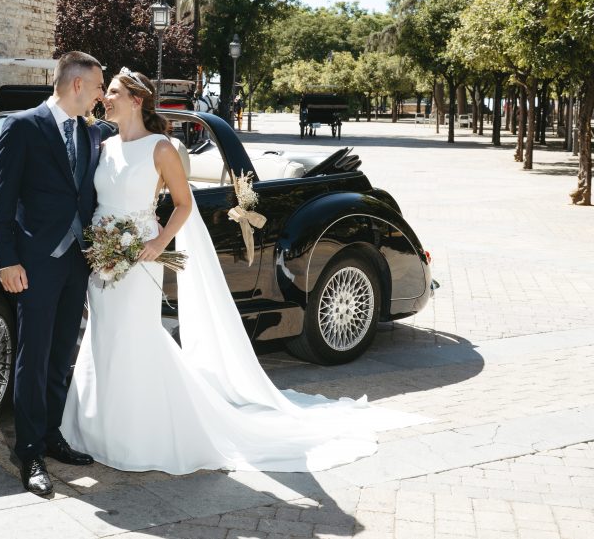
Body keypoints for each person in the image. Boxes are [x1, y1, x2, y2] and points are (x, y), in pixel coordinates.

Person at [60, 67, 421, 474]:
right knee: (103, 336)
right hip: (105, 257)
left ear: (136, 100)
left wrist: (158, 243)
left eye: (112, 92)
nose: (104, 98)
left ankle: (140, 433)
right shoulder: (104, 146)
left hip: (142, 256)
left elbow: (184, 205)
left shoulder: (161, 148)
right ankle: (95, 428)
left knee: (135, 337)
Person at [0, 51, 105, 495]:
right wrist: (7, 260)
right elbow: (0, 200)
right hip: (34, 264)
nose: (99, 95)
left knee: (61, 355)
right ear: (76, 85)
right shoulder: (21, 127)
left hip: (77, 262)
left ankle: (53, 435)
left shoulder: (88, 131)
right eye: (97, 87)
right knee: (32, 358)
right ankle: (30, 449)